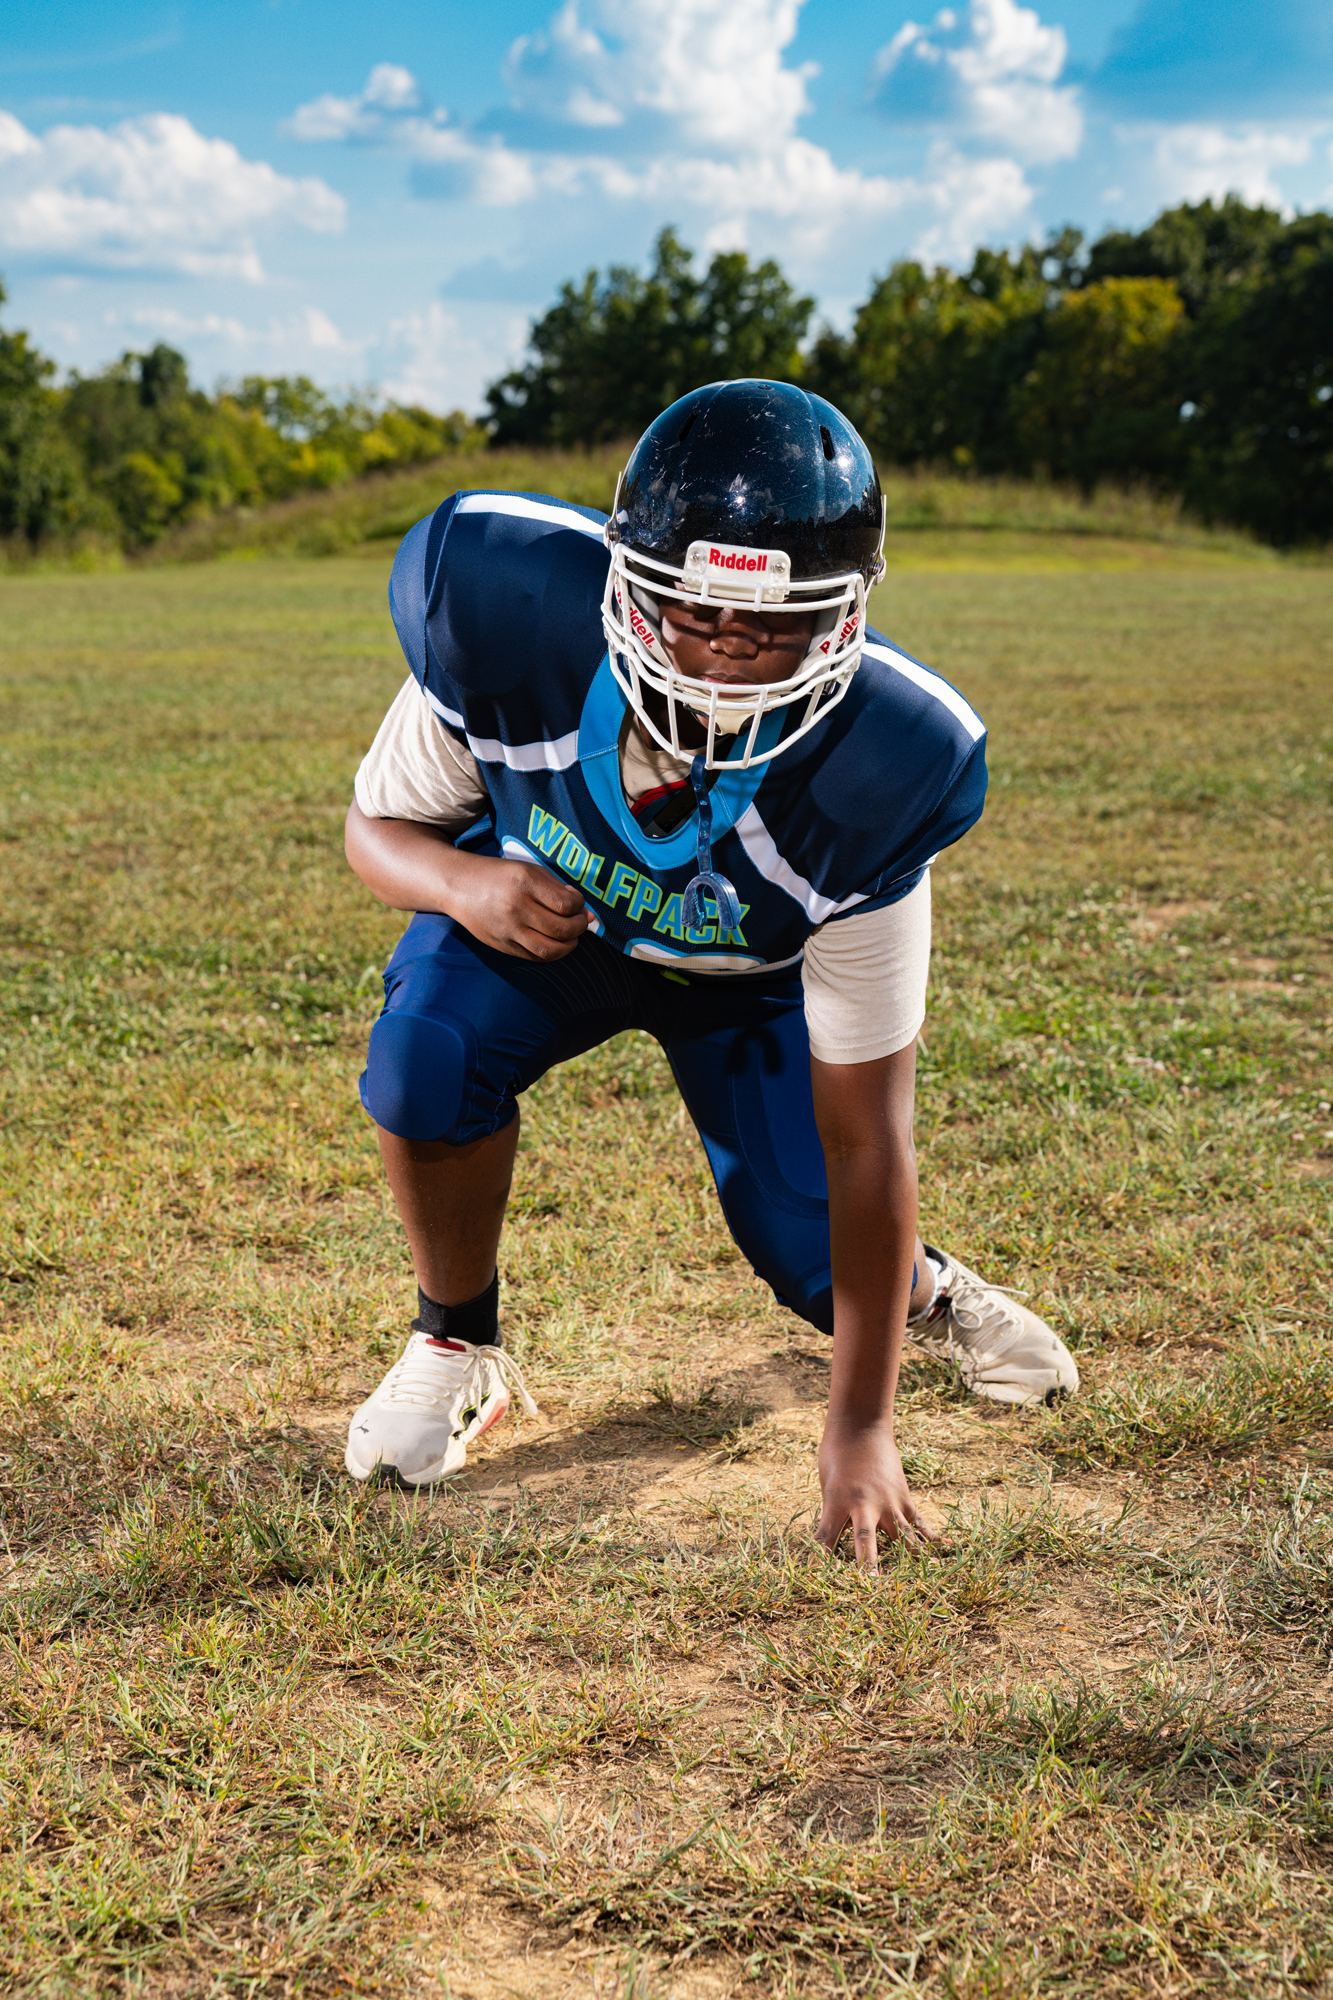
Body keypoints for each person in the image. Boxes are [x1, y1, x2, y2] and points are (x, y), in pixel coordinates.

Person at [342, 379, 1079, 1566]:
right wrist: (467, 885)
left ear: (846, 612)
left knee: (810, 1247)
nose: (732, 644)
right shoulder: (507, 616)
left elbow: (870, 1136)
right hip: (550, 938)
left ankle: (932, 1294)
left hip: (749, 982)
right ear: (626, 583)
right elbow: (377, 829)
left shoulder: (885, 767)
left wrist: (859, 1425)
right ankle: (454, 1340)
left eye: (777, 620)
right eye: (696, 607)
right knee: (423, 1059)